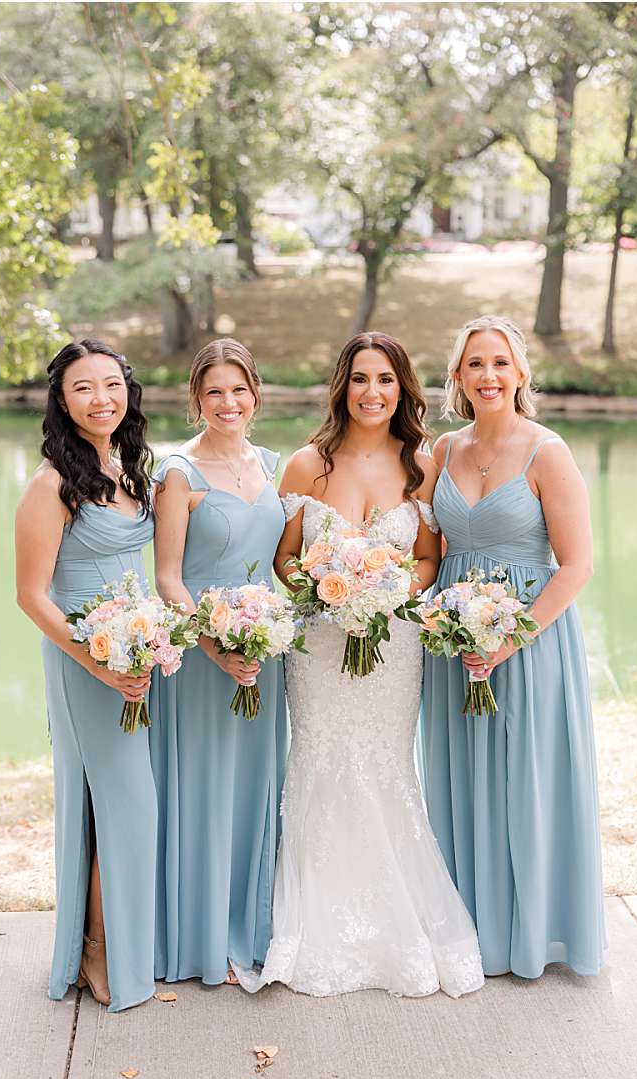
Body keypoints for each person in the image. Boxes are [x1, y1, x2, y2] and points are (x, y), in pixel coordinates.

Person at [250, 331, 483, 998]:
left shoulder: (421, 467)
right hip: (319, 646)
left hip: (394, 646)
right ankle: (316, 924)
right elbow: (285, 556)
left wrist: (387, 590)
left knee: (385, 767)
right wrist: (324, 585)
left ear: (402, 389)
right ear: (342, 387)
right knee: (321, 764)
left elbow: (429, 560)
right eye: (360, 379)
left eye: (385, 379)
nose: (372, 392)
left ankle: (400, 922)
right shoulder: (305, 467)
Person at [420, 315, 604, 978]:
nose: (487, 376)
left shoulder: (546, 451)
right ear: (457, 376)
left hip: (528, 639)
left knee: (523, 777)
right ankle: (470, 927)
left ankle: (528, 934)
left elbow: (577, 565)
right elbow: (421, 544)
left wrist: (508, 639)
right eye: (474, 364)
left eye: (500, 363)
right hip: (452, 641)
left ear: (521, 373)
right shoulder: (443, 451)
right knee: (460, 775)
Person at [14, 338, 158, 1013]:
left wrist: (151, 644)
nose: (100, 398)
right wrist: (97, 660)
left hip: (135, 657)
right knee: (124, 809)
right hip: (84, 662)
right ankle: (96, 953)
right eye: (83, 388)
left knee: (124, 811)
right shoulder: (52, 484)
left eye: (111, 385)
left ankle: (112, 946)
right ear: (62, 401)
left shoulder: (131, 470)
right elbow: (32, 596)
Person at [150, 337, 287, 987]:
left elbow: (283, 563)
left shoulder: (272, 464)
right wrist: (215, 644)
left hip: (266, 657)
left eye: (238, 390)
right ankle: (202, 940)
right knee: (203, 791)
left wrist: (269, 634)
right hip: (202, 661)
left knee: (254, 790)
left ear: (255, 393)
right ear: (196, 400)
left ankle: (250, 931)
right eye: (214, 392)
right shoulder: (180, 472)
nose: (227, 403)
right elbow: (168, 578)